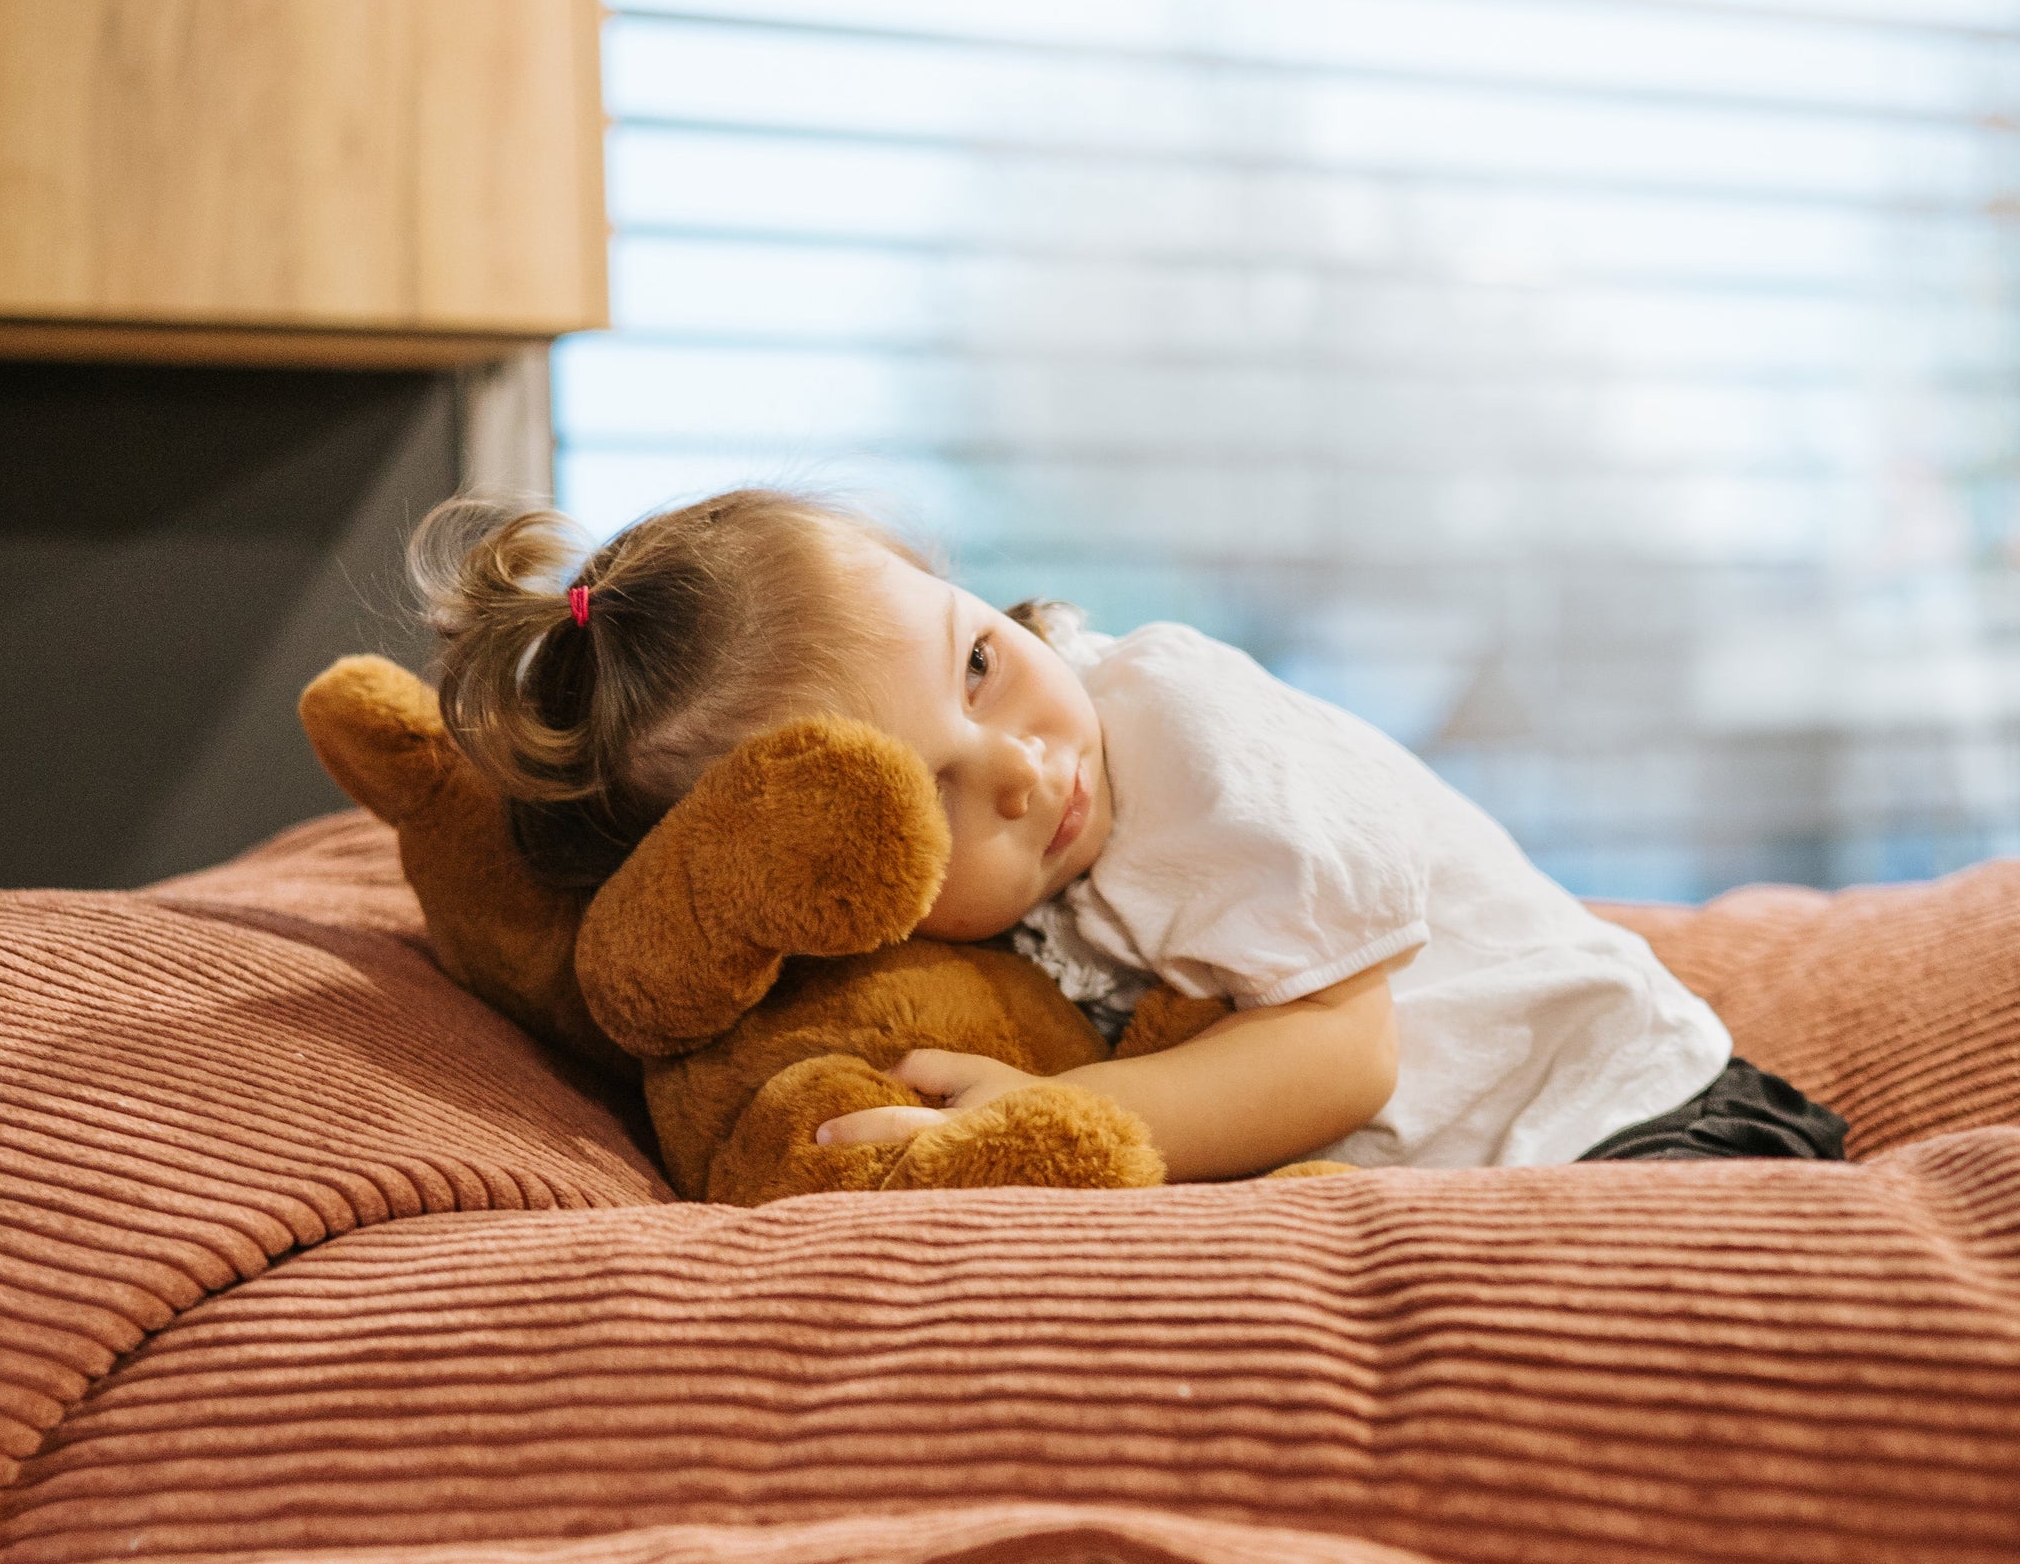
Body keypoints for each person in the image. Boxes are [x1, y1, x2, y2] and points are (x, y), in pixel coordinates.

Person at [415, 486, 1846, 1184]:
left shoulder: (1176, 727)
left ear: (963, 588)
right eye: (931, 798)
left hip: (1637, 1127)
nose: (1022, 772)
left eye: (978, 666)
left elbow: (1348, 1052)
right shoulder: (976, 913)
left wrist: (1047, 1140)